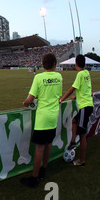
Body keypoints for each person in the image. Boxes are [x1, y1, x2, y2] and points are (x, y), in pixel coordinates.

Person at [21, 53, 63, 188]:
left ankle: (34, 178)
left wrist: (25, 104)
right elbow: (57, 95)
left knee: (39, 148)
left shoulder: (39, 77)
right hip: (53, 116)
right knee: (48, 143)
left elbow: (30, 99)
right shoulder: (59, 77)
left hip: (43, 117)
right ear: (55, 64)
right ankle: (43, 170)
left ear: (43, 64)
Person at [59, 54, 94, 166]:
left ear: (76, 64)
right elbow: (85, 88)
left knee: (83, 135)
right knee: (74, 120)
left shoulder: (80, 74)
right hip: (88, 105)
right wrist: (77, 96)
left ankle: (82, 161)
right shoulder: (86, 72)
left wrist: (61, 99)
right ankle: (73, 141)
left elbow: (71, 89)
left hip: (85, 106)